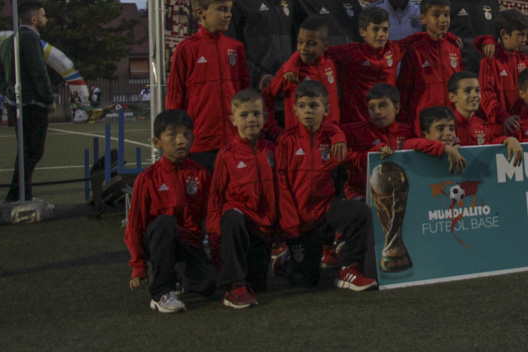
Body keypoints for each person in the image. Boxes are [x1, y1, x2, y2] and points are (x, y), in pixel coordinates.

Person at [274, 80, 376, 291]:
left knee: (359, 212)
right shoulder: (286, 140)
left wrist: (381, 153)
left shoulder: (331, 141)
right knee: (307, 282)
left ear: (326, 109)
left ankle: (349, 269)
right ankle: (288, 259)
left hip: (325, 210)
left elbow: (354, 159)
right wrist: (291, 223)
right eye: (302, 106)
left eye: (314, 106)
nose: (308, 111)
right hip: (298, 219)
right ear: (294, 110)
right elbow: (281, 183)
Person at [125, 109, 216, 313]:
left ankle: (179, 275)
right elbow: (134, 226)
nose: (180, 140)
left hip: (189, 243)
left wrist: (219, 259)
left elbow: (212, 218)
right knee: (165, 223)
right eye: (172, 134)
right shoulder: (147, 179)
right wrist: (138, 266)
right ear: (157, 142)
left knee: (209, 287)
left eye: (186, 134)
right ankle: (161, 292)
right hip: (159, 242)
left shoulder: (201, 174)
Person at [166, 0, 251, 172]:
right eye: (222, 9)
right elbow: (175, 96)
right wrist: (176, 139)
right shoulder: (187, 49)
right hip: (200, 143)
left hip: (234, 140)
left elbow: (245, 94)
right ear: (200, 12)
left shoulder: (236, 48)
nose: (228, 14)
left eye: (229, 9)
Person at [207, 89, 280, 308]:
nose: (251, 119)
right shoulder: (227, 154)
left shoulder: (273, 150)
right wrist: (215, 238)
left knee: (260, 284)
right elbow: (216, 198)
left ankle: (276, 262)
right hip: (239, 225)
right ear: (233, 120)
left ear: (265, 118)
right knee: (231, 215)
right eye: (244, 115)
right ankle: (234, 286)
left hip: (264, 230)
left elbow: (282, 191)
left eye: (256, 114)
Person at [0, 0, 54, 202]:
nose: (46, 19)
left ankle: (22, 193)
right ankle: (16, 193)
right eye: (43, 15)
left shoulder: (10, 40)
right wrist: (48, 98)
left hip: (16, 103)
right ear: (34, 19)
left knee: (26, 150)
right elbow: (38, 71)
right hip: (33, 103)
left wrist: (8, 91)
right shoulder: (30, 38)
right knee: (33, 150)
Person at [340, 83, 446, 199]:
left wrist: (446, 148)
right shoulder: (357, 131)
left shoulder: (408, 131)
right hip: (362, 193)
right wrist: (373, 152)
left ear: (397, 108)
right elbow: (330, 130)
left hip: (400, 194)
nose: (377, 112)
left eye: (383, 105)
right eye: (372, 107)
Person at [263, 16, 341, 134]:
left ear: (325, 46)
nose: (304, 47)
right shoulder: (289, 71)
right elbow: (266, 97)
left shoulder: (332, 63)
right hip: (299, 143)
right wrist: (274, 130)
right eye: (300, 42)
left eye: (311, 43)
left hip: (330, 141)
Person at [395, 0, 463, 124]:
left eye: (446, 15)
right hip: (424, 121)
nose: (443, 20)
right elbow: (405, 89)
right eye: (436, 15)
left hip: (451, 119)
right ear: (423, 19)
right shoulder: (415, 51)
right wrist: (403, 120)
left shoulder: (454, 49)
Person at [327, 6, 401, 125]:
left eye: (385, 30)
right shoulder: (351, 53)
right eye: (375, 30)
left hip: (385, 124)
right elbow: (317, 49)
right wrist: (292, 65)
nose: (381, 34)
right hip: (356, 124)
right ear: (362, 32)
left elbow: (421, 39)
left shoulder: (394, 49)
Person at [478, 9, 528, 133]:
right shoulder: (490, 60)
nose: (525, 40)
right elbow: (486, 94)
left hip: (523, 125)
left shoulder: (527, 59)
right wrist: (503, 117)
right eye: (520, 35)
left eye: (526, 35)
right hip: (497, 128)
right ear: (504, 34)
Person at [445, 72, 524, 164]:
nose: (475, 95)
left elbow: (489, 146)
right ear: (452, 97)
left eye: (477, 90)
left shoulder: (483, 126)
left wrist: (508, 139)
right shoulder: (444, 125)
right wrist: (445, 149)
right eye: (467, 91)